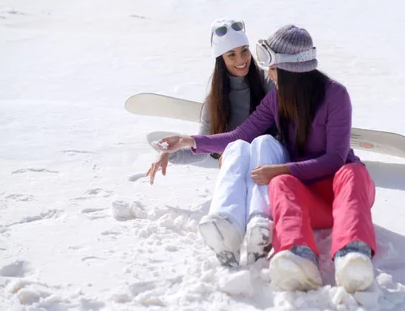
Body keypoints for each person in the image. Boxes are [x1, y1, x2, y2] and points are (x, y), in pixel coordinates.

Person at [153, 25, 377, 293]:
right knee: (282, 184)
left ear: (291, 70)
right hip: (311, 200)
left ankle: (353, 257)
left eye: (273, 68)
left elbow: (335, 160)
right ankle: (298, 258)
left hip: (344, 192)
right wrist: (189, 141)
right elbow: (241, 135)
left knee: (350, 172)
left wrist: (282, 168)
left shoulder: (335, 95)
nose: (268, 74)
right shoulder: (277, 98)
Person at [146, 19, 288, 267]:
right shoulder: (215, 101)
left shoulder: (267, 83)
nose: (240, 59)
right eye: (231, 54)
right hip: (240, 157)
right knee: (236, 147)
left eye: (244, 51)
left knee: (258, 142)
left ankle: (261, 223)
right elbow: (204, 149)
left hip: (269, 155)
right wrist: (173, 154)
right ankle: (225, 223)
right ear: (220, 60)